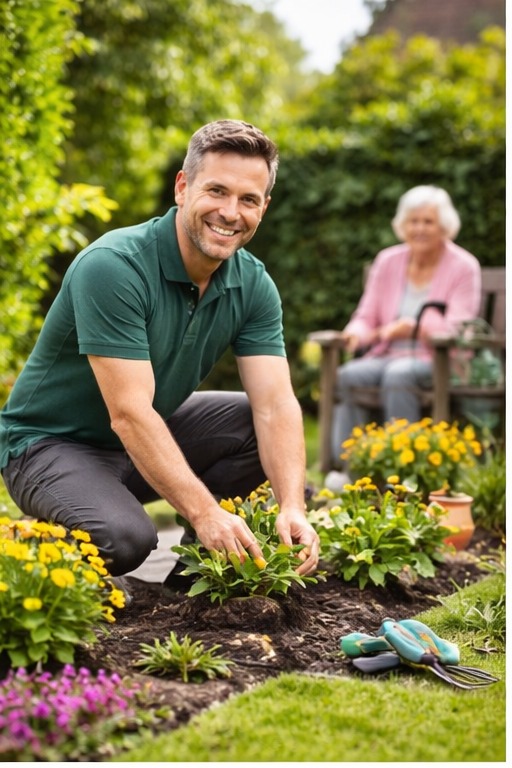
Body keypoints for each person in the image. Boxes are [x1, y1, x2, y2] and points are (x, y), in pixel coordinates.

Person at [0, 119, 319, 586]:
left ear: (264, 207)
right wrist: (206, 511)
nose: (231, 212)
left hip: (140, 441)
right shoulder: (114, 267)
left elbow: (276, 405)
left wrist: (292, 506)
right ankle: (26, 549)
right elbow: (129, 413)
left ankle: (190, 580)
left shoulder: (253, 284)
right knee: (124, 539)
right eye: (217, 191)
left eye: (248, 199)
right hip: (49, 445)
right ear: (183, 187)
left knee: (253, 421)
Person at [330, 185, 481, 472]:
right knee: (349, 374)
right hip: (386, 354)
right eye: (413, 221)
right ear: (403, 225)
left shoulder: (464, 266)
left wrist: (414, 327)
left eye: (428, 221)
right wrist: (355, 332)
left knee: (399, 375)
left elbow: (460, 330)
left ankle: (403, 468)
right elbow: (366, 315)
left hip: (438, 359)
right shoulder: (388, 261)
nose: (419, 228)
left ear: (444, 227)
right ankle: (350, 467)